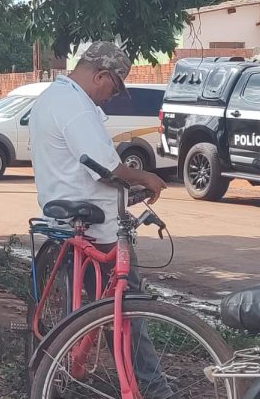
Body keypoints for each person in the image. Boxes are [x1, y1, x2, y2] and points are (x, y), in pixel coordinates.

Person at [28, 41, 170, 395]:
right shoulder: (74, 105)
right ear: (101, 75)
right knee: (129, 314)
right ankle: (155, 391)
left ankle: (66, 373)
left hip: (71, 216)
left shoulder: (55, 97)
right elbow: (103, 166)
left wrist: (127, 188)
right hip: (98, 225)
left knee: (91, 311)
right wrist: (146, 177)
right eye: (113, 87)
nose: (110, 96)